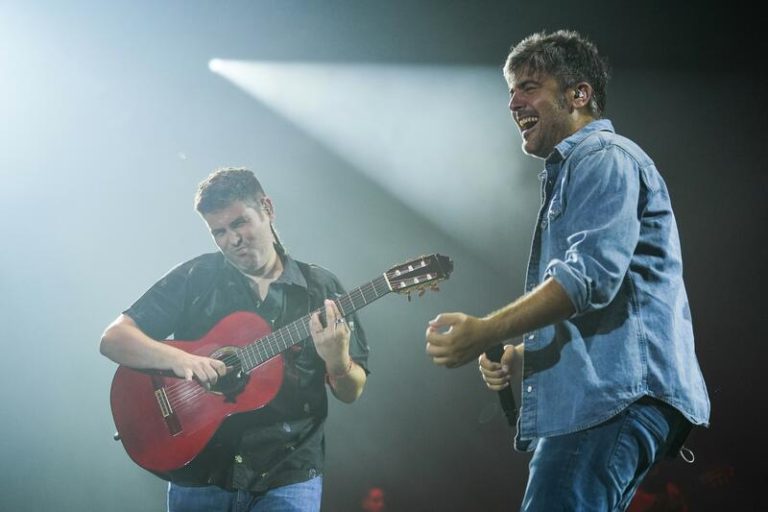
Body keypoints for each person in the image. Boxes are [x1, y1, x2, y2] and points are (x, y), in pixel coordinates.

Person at [425, 30, 710, 510]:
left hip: (610, 401)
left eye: (528, 87)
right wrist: (525, 354)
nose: (513, 103)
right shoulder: (583, 168)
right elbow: (608, 294)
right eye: (510, 91)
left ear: (579, 94)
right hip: (616, 399)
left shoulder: (603, 157)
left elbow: (590, 277)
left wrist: (486, 330)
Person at [100, 167, 370, 512]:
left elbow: (351, 392)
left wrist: (337, 359)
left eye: (239, 223)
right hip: (202, 473)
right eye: (219, 232)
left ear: (267, 208)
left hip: (288, 475)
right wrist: (183, 360)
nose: (232, 239)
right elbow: (114, 338)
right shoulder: (197, 277)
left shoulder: (320, 288)